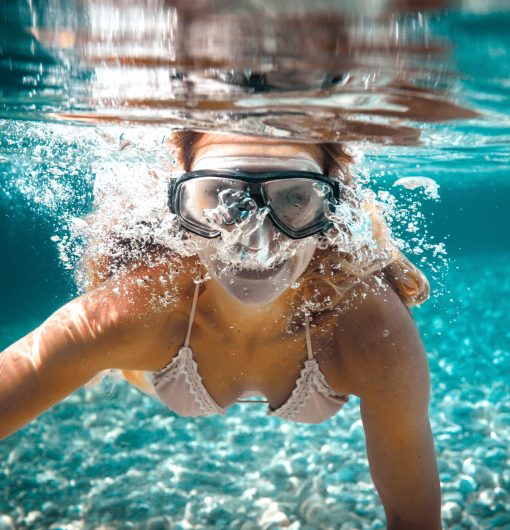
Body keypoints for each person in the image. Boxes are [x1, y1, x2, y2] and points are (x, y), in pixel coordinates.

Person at [0, 130, 442, 530]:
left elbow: (414, 520)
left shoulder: (370, 330)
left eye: (293, 199)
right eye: (222, 198)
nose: (255, 242)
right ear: (179, 206)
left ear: (331, 208)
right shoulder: (135, 311)